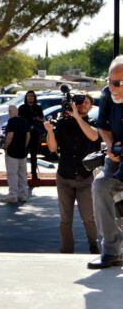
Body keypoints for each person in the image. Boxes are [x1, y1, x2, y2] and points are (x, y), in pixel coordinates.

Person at [43, 94, 100, 254]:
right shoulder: (63, 123)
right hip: (64, 176)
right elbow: (53, 148)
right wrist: (50, 132)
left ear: (91, 106)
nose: (82, 105)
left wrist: (76, 116)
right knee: (65, 220)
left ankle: (93, 245)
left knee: (89, 217)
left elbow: (94, 136)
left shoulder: (93, 124)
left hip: (85, 177)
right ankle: (67, 250)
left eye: (86, 102)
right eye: (80, 102)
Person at [88, 56, 123, 269]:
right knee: (100, 186)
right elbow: (102, 125)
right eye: (110, 81)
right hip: (117, 158)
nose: (113, 87)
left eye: (118, 83)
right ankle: (111, 251)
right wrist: (110, 146)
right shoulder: (107, 94)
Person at [2, 105, 30, 203]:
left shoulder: (11, 121)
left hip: (12, 152)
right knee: (22, 174)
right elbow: (28, 135)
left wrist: (5, 146)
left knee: (12, 174)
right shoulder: (24, 121)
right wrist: (24, 146)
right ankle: (23, 195)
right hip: (22, 152)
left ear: (10, 112)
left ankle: (13, 195)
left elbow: (10, 135)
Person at [19, 90, 45, 181]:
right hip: (25, 134)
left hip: (36, 134)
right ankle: (22, 175)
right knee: (24, 155)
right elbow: (21, 120)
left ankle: (34, 175)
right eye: (29, 96)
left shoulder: (38, 107)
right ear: (26, 97)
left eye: (32, 96)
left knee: (34, 155)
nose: (30, 97)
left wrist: (37, 119)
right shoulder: (22, 108)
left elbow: (42, 118)